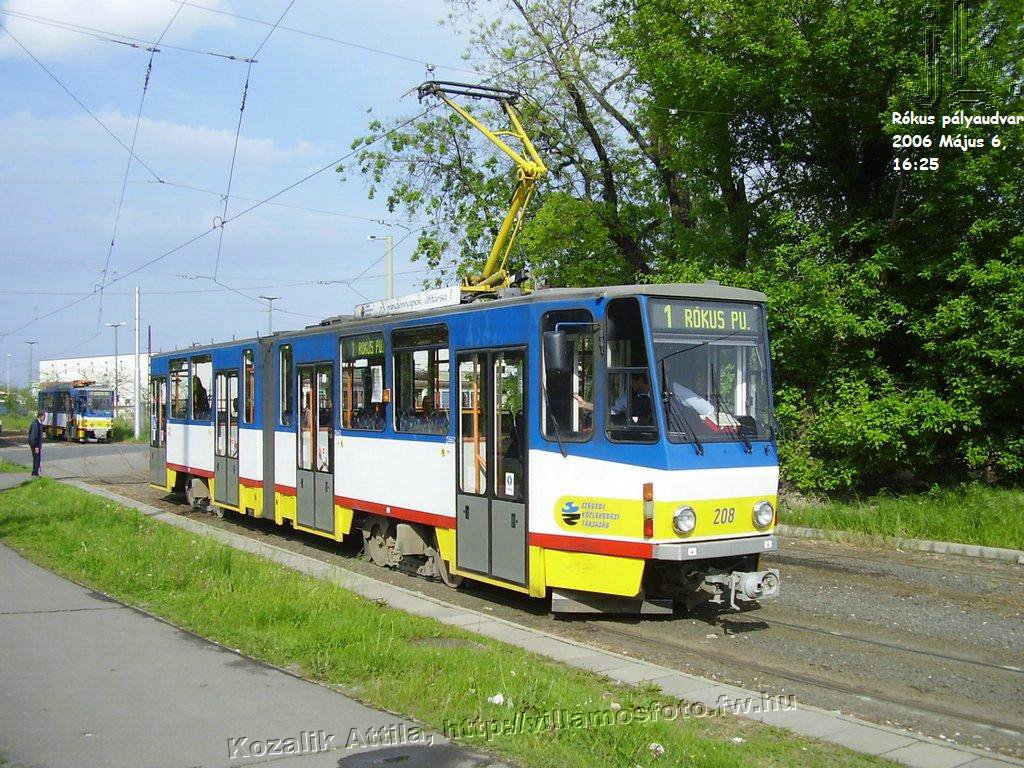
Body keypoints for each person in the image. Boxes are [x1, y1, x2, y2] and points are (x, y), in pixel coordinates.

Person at [28, 411, 44, 476]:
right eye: (44, 417)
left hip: (36, 445)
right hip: (35, 445)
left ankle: (36, 472)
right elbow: (34, 435)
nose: (44, 418)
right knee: (36, 459)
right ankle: (35, 473)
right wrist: (36, 446)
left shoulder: (39, 423)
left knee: (37, 458)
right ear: (40, 416)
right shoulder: (36, 424)